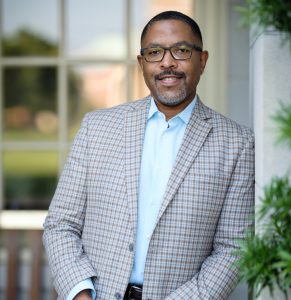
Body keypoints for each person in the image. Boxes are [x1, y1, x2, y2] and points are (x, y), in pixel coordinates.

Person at [43, 10, 254, 300]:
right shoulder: (97, 128)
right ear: (142, 63)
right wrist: (81, 295)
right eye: (155, 52)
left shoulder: (238, 144)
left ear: (202, 60)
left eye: (181, 50)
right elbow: (61, 224)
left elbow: (234, 248)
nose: (167, 62)